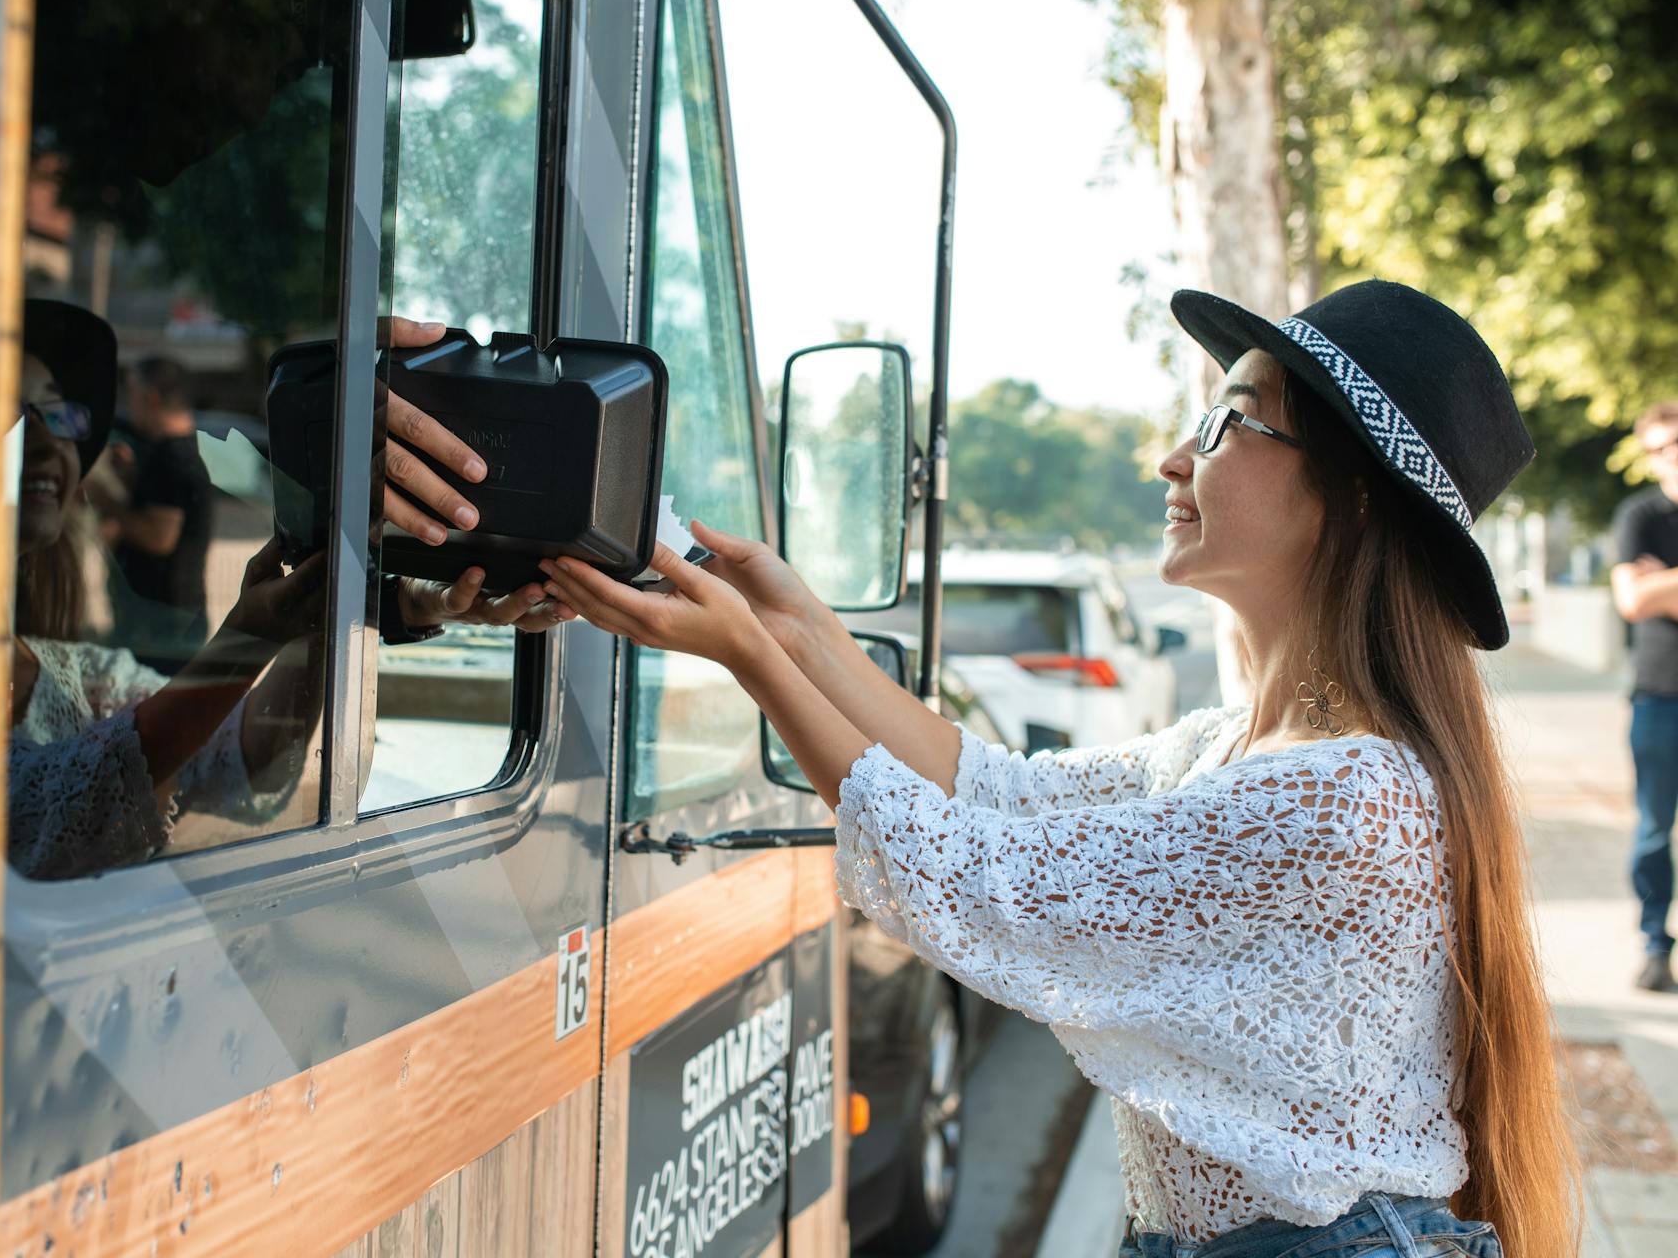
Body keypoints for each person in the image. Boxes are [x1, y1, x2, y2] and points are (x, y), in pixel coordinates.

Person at [539, 281, 1579, 1257]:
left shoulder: (1342, 798)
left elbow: (978, 881)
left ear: (1353, 499)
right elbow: (991, 792)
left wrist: (750, 655)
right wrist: (796, 621)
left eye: (1228, 423)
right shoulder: (1227, 750)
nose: (1173, 458)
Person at [10, 302, 561, 879]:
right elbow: (58, 812)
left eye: (57, 412)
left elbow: (245, 758)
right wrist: (255, 632)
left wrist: (341, 597)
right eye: (13, 412)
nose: (46, 440)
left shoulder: (81, 677)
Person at [1609, 400, 1678, 992]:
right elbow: (1631, 602)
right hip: (1659, 698)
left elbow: (1649, 594)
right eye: (1657, 448)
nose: (1668, 457)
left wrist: (1662, 580)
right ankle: (1656, 946)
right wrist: (1647, 588)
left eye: (1676, 442)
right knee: (1654, 830)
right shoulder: (1639, 516)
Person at [97, 355, 215, 671]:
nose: (128, 403)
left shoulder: (171, 457)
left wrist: (105, 499)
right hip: (166, 623)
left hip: (162, 630)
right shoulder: (178, 452)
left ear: (151, 397)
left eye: (131, 393)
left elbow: (159, 537)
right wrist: (131, 481)